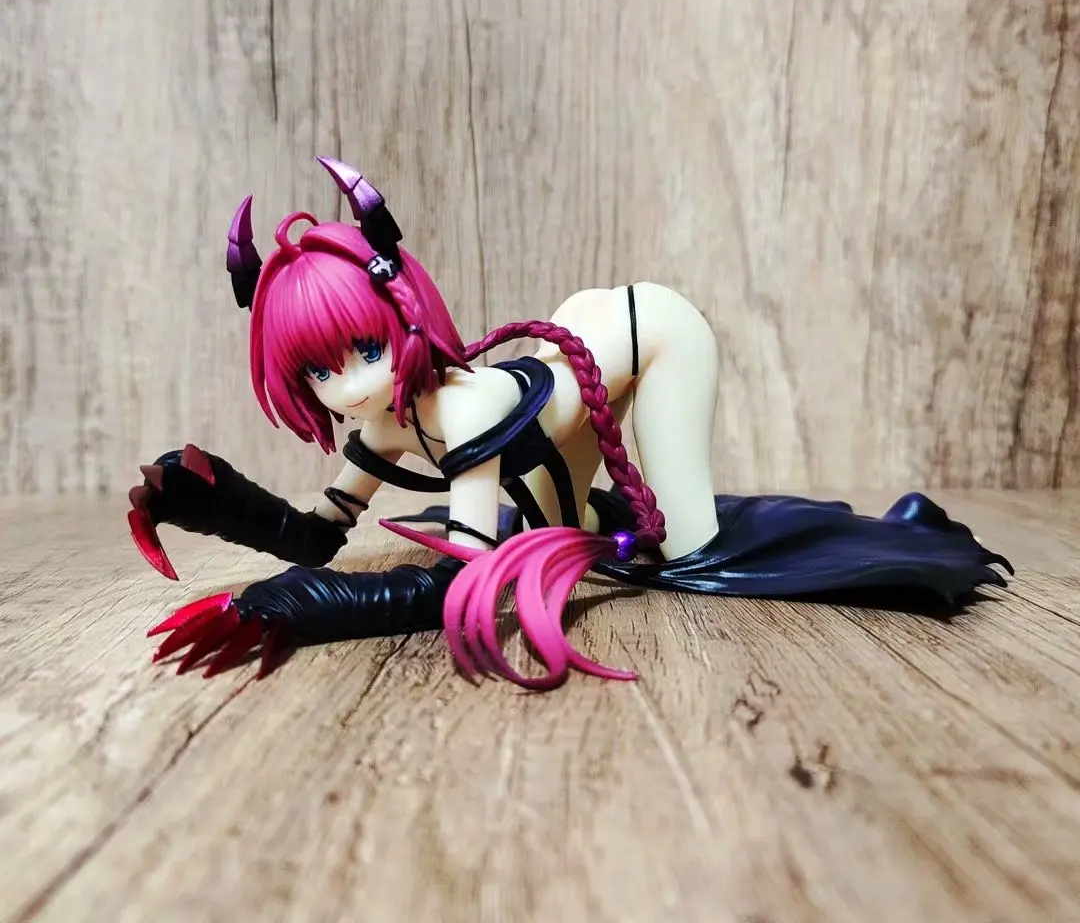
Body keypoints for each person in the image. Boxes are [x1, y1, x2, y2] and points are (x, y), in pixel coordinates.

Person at [129, 157, 1013, 690]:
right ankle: (609, 514)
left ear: (402, 314)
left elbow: (459, 586)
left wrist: (293, 607)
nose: (349, 386)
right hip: (568, 376)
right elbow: (317, 537)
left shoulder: (458, 411)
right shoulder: (383, 430)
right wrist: (214, 502)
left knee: (688, 554)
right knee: (577, 527)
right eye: (318, 372)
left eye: (363, 349)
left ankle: (904, 540)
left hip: (652, 336)